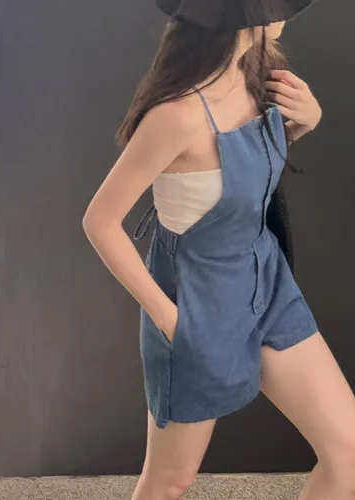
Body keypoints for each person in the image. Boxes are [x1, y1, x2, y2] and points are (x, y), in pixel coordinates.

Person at [82, 1, 355, 498]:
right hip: (200, 302)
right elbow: (100, 221)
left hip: (267, 283)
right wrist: (172, 322)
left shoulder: (261, 78)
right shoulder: (177, 116)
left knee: (349, 452)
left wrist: (303, 123)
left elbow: (246, 175)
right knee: (169, 481)